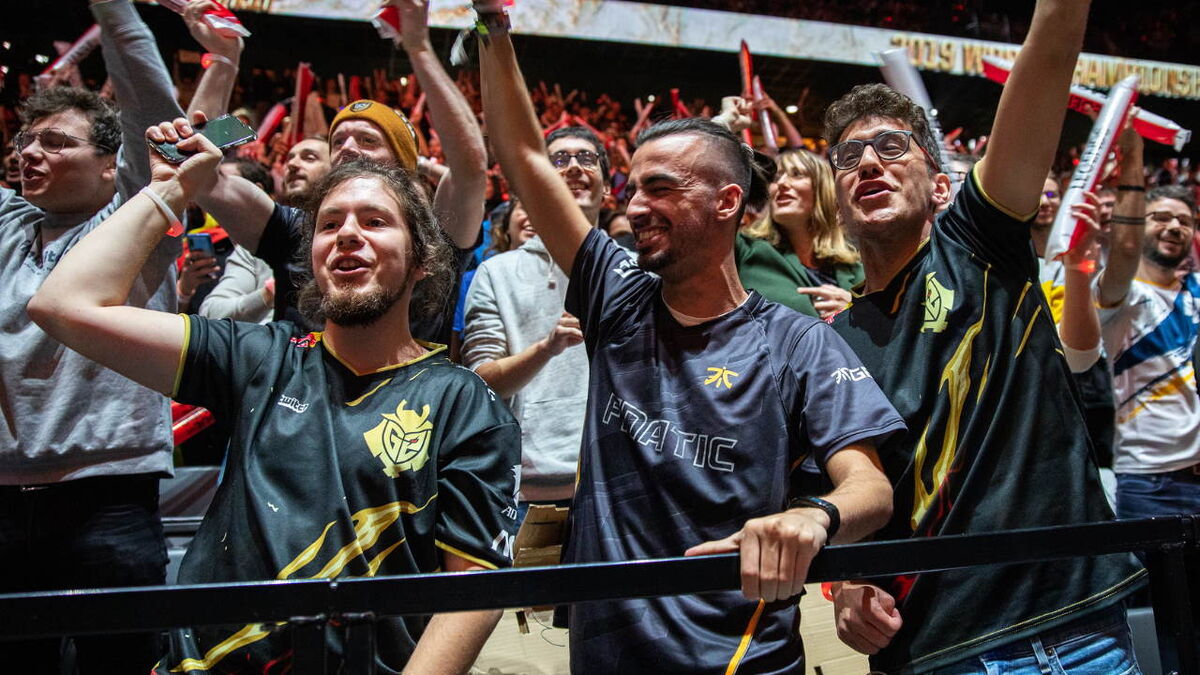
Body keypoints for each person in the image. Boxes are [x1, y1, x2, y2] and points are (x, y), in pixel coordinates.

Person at [479, 7, 905, 672]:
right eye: (632, 187)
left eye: (660, 187)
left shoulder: (797, 343)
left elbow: (870, 488)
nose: (633, 206)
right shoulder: (616, 295)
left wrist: (812, 516)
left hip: (741, 654)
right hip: (606, 651)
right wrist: (491, 24)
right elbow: (524, 153)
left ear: (727, 201)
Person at [28, 118, 521, 673]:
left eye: (375, 220)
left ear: (421, 261)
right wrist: (167, 189)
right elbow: (64, 306)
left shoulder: (465, 402)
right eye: (329, 224)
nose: (347, 234)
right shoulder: (261, 356)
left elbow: (471, 592)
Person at [822, 1, 1145, 672]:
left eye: (890, 147)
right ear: (839, 203)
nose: (869, 163)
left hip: (1077, 629)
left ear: (943, 185)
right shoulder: (825, 345)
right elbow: (848, 492)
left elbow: (1052, 48)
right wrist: (847, 583)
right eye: (848, 157)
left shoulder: (980, 242)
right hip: (935, 650)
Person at [0, 0, 184, 671]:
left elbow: (153, 106)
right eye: (25, 141)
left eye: (55, 142)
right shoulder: (5, 225)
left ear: (112, 164)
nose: (30, 153)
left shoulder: (136, 222)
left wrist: (113, 9)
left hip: (110, 499)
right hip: (3, 500)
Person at [199, 0, 487, 344]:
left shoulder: (434, 234)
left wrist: (418, 47)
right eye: (338, 140)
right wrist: (223, 61)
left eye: (367, 139)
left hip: (411, 396)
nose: (348, 147)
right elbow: (200, 176)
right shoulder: (297, 229)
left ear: (404, 164)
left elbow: (470, 167)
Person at [463, 127, 611, 514]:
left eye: (587, 158)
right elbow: (482, 382)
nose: (575, 167)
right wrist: (546, 350)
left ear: (608, 189)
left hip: (618, 484)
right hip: (528, 493)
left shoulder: (637, 272)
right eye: (559, 160)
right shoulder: (497, 273)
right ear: (536, 185)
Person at [737, 148, 863, 319]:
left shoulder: (853, 264)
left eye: (796, 174)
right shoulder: (744, 247)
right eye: (775, 178)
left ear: (822, 189)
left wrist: (853, 308)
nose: (781, 183)